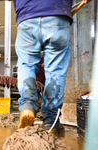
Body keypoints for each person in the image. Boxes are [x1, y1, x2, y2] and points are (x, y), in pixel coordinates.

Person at [13, 0, 92, 131]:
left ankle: (28, 104)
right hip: (57, 15)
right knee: (55, 70)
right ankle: (51, 120)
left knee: (26, 64)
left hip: (26, 17)